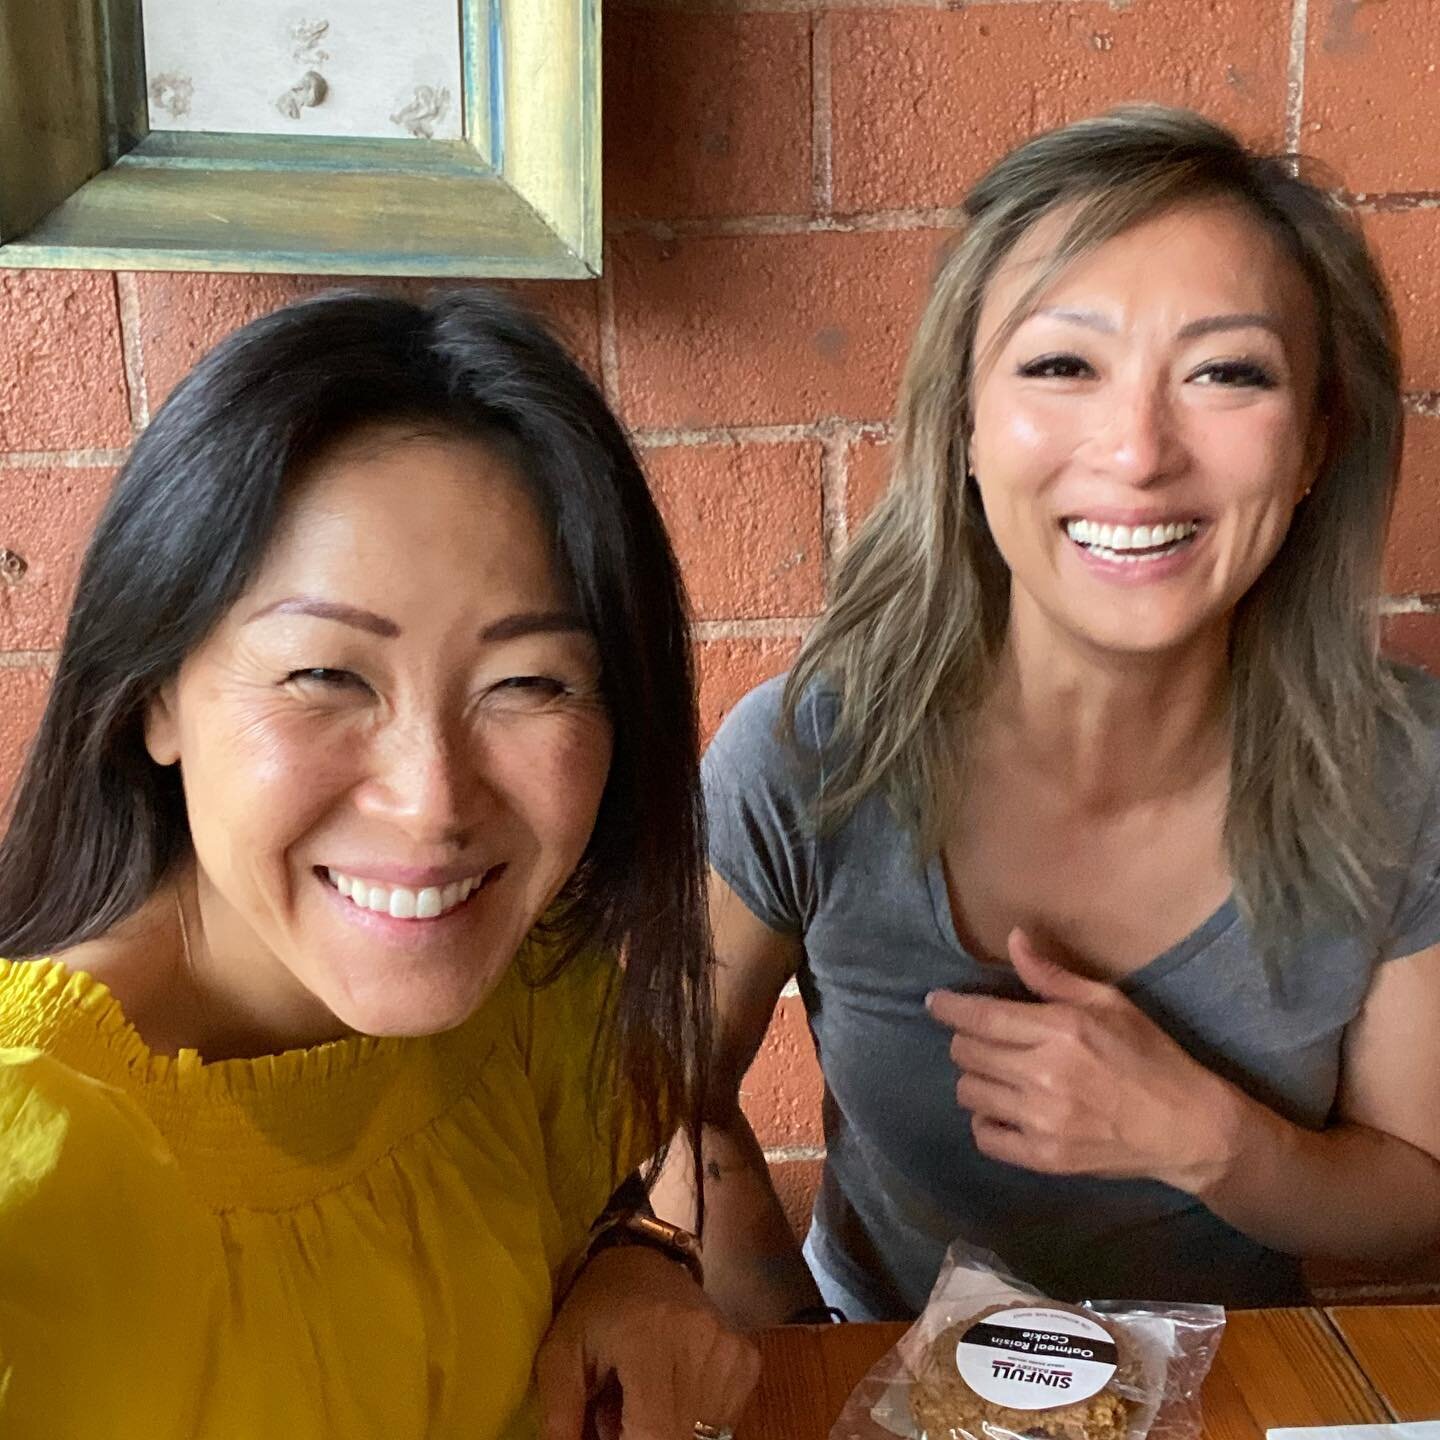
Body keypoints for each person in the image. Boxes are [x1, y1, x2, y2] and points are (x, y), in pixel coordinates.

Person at [657, 105, 1440, 1321]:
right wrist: (783, 1340)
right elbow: (658, 1096)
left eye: (1227, 372)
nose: (1137, 453)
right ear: (965, 425)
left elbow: (1415, 1199)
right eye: (1061, 364)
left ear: (1317, 441)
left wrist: (1208, 1140)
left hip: (1225, 1385)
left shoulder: (1408, 773)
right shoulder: (808, 755)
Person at [0, 290, 760, 1438]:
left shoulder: (532, 987)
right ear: (153, 693)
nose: (432, 804)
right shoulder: (35, 1174)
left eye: (530, 683)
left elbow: (594, 1195)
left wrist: (634, 1260)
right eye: (324, 677)